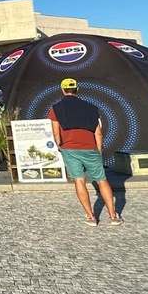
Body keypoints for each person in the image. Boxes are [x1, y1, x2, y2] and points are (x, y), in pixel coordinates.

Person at [49, 78, 121, 227]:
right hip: (90, 147)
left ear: (62, 90)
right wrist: (99, 149)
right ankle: (113, 216)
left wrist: (59, 146)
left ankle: (90, 217)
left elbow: (56, 133)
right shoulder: (92, 108)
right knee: (101, 180)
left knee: (79, 180)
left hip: (69, 148)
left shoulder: (56, 108)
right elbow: (98, 132)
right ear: (77, 89)